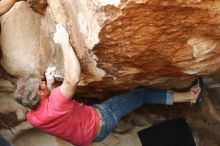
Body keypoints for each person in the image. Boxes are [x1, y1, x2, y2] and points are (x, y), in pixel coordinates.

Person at [13, 24, 205, 146]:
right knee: (142, 94)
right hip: (103, 118)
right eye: (41, 84)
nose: (43, 82)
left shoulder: (33, 118)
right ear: (41, 94)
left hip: (90, 137)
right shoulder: (55, 101)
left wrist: (50, 84)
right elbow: (73, 79)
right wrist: (64, 41)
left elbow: (52, 108)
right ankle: (191, 96)